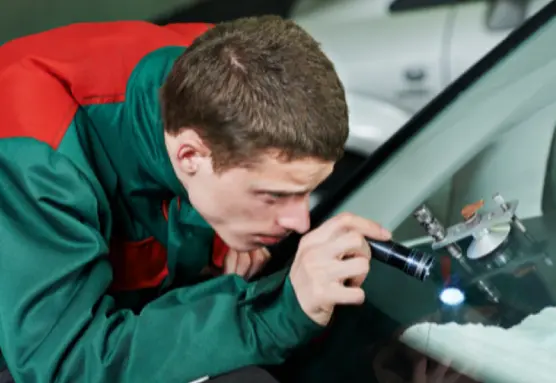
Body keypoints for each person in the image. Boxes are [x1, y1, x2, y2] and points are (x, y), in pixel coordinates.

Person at [0, 15, 392, 382]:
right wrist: (272, 316)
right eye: (274, 195)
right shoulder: (36, 160)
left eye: (305, 191)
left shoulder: (228, 72)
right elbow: (65, 364)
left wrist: (220, 234)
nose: (301, 222)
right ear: (190, 155)